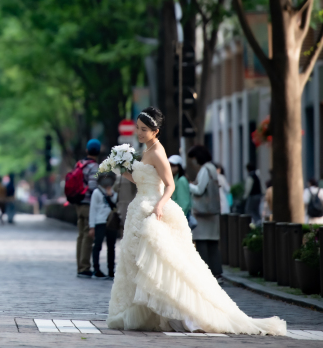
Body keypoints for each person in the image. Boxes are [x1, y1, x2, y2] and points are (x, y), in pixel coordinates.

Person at [107, 107, 285, 335]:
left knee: (164, 264)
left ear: (156, 131)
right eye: (138, 128)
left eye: (144, 130)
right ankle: (149, 312)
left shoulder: (158, 152)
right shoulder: (146, 149)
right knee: (141, 264)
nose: (139, 133)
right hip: (140, 208)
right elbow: (142, 179)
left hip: (153, 211)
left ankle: (185, 314)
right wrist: (121, 169)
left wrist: (160, 205)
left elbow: (169, 185)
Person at [187, 146, 222, 278]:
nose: (193, 162)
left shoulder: (205, 170)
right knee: (213, 245)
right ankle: (217, 273)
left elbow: (199, 190)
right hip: (211, 212)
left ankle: (206, 275)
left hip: (202, 213)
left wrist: (187, 184)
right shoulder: (212, 168)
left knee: (202, 244)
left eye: (194, 158)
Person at [74, 139, 101, 278]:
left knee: (81, 235)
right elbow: (92, 187)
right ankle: (84, 267)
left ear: (87, 150)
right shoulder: (94, 167)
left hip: (79, 204)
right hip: (88, 205)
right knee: (87, 235)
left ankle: (80, 266)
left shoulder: (80, 164)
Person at [89, 172, 118, 280]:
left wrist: (110, 195)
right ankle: (96, 269)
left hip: (111, 222)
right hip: (99, 222)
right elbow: (93, 209)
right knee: (97, 246)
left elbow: (115, 204)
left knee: (111, 247)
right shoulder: (96, 192)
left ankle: (111, 270)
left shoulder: (114, 192)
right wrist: (92, 226)